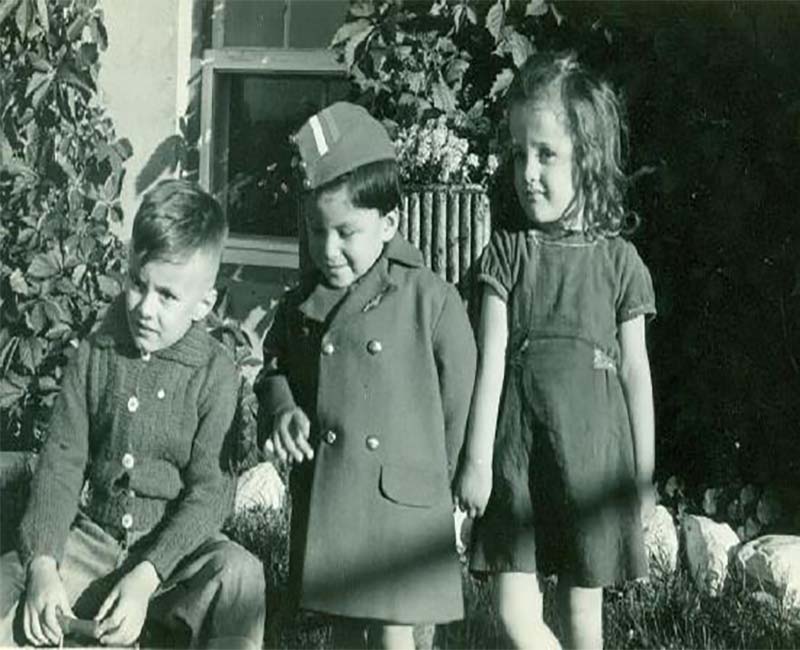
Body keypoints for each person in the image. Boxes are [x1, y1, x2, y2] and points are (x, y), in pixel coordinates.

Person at [0, 179, 266, 649]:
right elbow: (61, 464)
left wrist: (147, 575)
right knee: (10, 580)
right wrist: (43, 565)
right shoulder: (97, 352)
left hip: (176, 558)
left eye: (167, 296)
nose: (145, 307)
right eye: (138, 284)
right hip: (95, 543)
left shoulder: (216, 373)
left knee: (239, 575)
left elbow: (211, 495)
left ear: (204, 304)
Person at [454, 50, 656, 650]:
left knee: (582, 617)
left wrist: (643, 476)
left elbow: (636, 372)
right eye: (519, 154)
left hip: (592, 464)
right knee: (514, 613)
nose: (528, 172)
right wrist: (477, 460)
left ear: (587, 161)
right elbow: (490, 363)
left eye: (546, 154)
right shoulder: (507, 254)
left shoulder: (620, 264)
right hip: (517, 459)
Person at [256, 102, 476, 649]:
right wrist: (283, 409)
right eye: (316, 231)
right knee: (346, 627)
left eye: (346, 233)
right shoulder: (302, 304)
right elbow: (275, 364)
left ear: (389, 224)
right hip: (338, 496)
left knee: (397, 629)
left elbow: (460, 393)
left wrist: (443, 476)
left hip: (405, 500)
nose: (328, 250)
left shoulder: (429, 299)